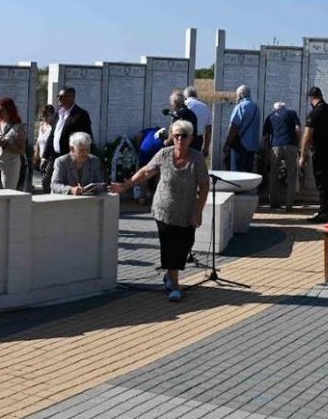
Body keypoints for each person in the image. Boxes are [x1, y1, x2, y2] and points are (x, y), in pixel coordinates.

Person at [111, 120, 208, 303]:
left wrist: (198, 210)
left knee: (185, 244)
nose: (180, 139)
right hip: (164, 209)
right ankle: (175, 286)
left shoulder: (197, 158)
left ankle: (170, 276)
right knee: (170, 245)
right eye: (176, 135)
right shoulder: (164, 154)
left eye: (184, 136)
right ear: (172, 137)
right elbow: (146, 172)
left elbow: (204, 185)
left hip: (187, 210)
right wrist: (125, 186)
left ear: (191, 138)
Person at [299, 87, 328, 224]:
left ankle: (324, 212)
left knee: (322, 183)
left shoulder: (314, 113)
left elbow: (307, 136)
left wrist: (303, 155)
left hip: (321, 153)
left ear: (311, 98)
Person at [262, 101, 301, 210]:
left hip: (275, 147)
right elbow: (298, 129)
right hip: (291, 145)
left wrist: (266, 152)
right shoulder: (292, 113)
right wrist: (298, 144)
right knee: (291, 175)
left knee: (273, 175)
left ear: (275, 108)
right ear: (284, 107)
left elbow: (265, 137)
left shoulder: (270, 117)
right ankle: (289, 205)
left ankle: (274, 203)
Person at [45, 87, 94, 172]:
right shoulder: (58, 114)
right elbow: (52, 135)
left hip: (71, 160)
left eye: (61, 96)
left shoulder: (81, 115)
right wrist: (45, 156)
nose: (58, 98)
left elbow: (87, 138)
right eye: (58, 96)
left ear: (71, 97)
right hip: (55, 157)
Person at [224, 85, 260, 173]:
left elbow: (234, 126)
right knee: (248, 174)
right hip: (252, 147)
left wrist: (227, 143)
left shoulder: (240, 106)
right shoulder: (256, 108)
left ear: (241, 95)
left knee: (236, 174)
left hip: (240, 146)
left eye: (237, 95)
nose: (236, 97)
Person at [33, 104, 56, 193]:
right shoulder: (42, 125)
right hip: (41, 156)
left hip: (50, 157)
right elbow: (38, 141)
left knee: (46, 180)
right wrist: (36, 155)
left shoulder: (54, 127)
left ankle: (49, 194)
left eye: (47, 116)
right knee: (44, 177)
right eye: (43, 116)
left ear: (52, 115)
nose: (45, 118)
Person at [184, 86, 212, 154]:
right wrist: (206, 148)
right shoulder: (205, 107)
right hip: (198, 140)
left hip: (184, 137)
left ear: (185, 95)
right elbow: (208, 130)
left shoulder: (184, 104)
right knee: (195, 159)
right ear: (196, 95)